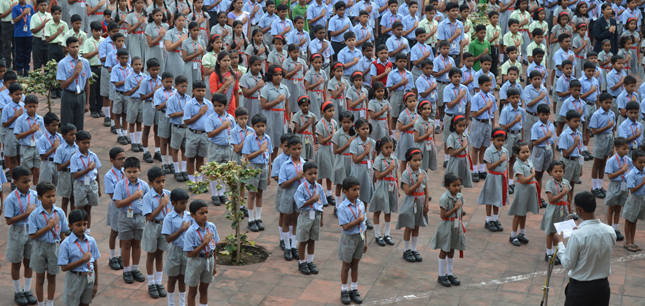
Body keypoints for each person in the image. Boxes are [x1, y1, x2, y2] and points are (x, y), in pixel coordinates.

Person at [553, 191, 616, 306]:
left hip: (580, 289)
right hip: (602, 287)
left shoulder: (578, 235)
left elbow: (568, 264)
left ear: (579, 209)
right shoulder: (610, 231)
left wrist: (560, 243)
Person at [28, 181, 68, 306]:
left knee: (52, 277)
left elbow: (63, 231)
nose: (52, 199)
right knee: (40, 278)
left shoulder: (59, 212)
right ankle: (40, 303)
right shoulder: (34, 214)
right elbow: (33, 235)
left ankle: (50, 303)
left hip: (55, 247)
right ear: (39, 198)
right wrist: (49, 226)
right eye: (48, 196)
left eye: (53, 195)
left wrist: (63, 247)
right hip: (39, 247)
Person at [113, 156, 150, 284]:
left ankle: (135, 268)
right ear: (124, 171)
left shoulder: (144, 185)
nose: (132, 174)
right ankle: (126, 270)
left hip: (139, 217)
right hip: (125, 218)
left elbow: (148, 202)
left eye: (135, 171)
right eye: (129, 172)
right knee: (126, 244)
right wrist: (134, 196)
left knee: (137, 243)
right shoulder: (120, 185)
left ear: (140, 170)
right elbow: (118, 204)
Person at [5, 166, 37, 306]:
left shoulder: (34, 195)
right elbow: (8, 220)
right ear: (15, 182)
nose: (28, 184)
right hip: (17, 232)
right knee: (16, 262)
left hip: (31, 231)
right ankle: (18, 291)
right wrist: (27, 213)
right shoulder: (11, 199)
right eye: (24, 181)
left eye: (29, 180)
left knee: (29, 261)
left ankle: (27, 290)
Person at [57, 209, 101, 306]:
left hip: (89, 277)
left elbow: (95, 262)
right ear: (70, 226)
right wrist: (83, 260)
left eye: (85, 224)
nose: (82, 228)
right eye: (78, 225)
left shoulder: (91, 241)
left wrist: (95, 284)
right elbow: (64, 267)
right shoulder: (66, 244)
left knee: (85, 303)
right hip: (74, 278)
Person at [142, 167, 171, 299]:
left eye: (163, 181)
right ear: (150, 183)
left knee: (160, 255)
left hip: (164, 227)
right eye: (158, 182)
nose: (161, 184)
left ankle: (159, 282)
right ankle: (151, 283)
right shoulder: (147, 197)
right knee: (151, 255)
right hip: (153, 227)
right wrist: (162, 205)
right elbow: (149, 217)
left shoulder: (168, 194)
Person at [431, 172, 465, 287]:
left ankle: (450, 273)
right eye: (454, 185)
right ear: (447, 186)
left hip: (455, 226)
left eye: (459, 185)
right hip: (447, 226)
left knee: (452, 249)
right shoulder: (444, 198)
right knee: (444, 250)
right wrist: (455, 208)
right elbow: (443, 215)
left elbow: (460, 211)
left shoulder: (460, 196)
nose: (457, 188)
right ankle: (441, 275)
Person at [337, 176, 367, 305]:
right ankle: (344, 290)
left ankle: (354, 289)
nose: (357, 192)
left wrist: (365, 240)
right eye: (354, 189)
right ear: (345, 191)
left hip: (359, 238)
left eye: (358, 189)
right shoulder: (342, 207)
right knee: (346, 266)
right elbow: (345, 227)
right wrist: (358, 220)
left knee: (355, 265)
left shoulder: (360, 204)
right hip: (348, 239)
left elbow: (364, 224)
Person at [184, 200, 219, 306]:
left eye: (206, 212)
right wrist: (204, 244)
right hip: (196, 261)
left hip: (209, 259)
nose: (205, 215)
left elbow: (214, 246)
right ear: (193, 215)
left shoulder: (211, 227)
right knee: (192, 291)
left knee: (204, 289)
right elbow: (190, 254)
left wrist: (214, 266)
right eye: (201, 213)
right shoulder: (191, 231)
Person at [161, 188, 192, 306]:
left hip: (186, 252)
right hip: (174, 251)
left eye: (186, 202)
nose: (185, 205)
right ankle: (171, 303)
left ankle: (182, 303)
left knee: (183, 279)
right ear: (173, 203)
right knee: (172, 278)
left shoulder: (189, 216)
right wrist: (182, 229)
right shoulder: (168, 218)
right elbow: (168, 238)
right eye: (182, 203)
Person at [56, 37, 92, 131]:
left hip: (81, 95)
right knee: (67, 125)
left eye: (77, 46)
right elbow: (63, 85)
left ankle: (78, 144)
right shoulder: (62, 63)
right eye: (72, 47)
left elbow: (87, 83)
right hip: (68, 95)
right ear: (67, 48)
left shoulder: (85, 62)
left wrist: (87, 103)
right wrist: (76, 72)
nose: (75, 49)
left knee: (79, 125)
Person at [70, 130, 102, 235]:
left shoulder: (93, 155)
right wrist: (88, 169)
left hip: (92, 184)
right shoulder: (74, 157)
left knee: (89, 208)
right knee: (80, 209)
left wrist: (99, 188)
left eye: (88, 142)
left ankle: (87, 231)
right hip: (80, 185)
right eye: (84, 143)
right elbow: (75, 175)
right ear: (77, 142)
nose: (86, 145)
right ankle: (78, 229)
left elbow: (97, 172)